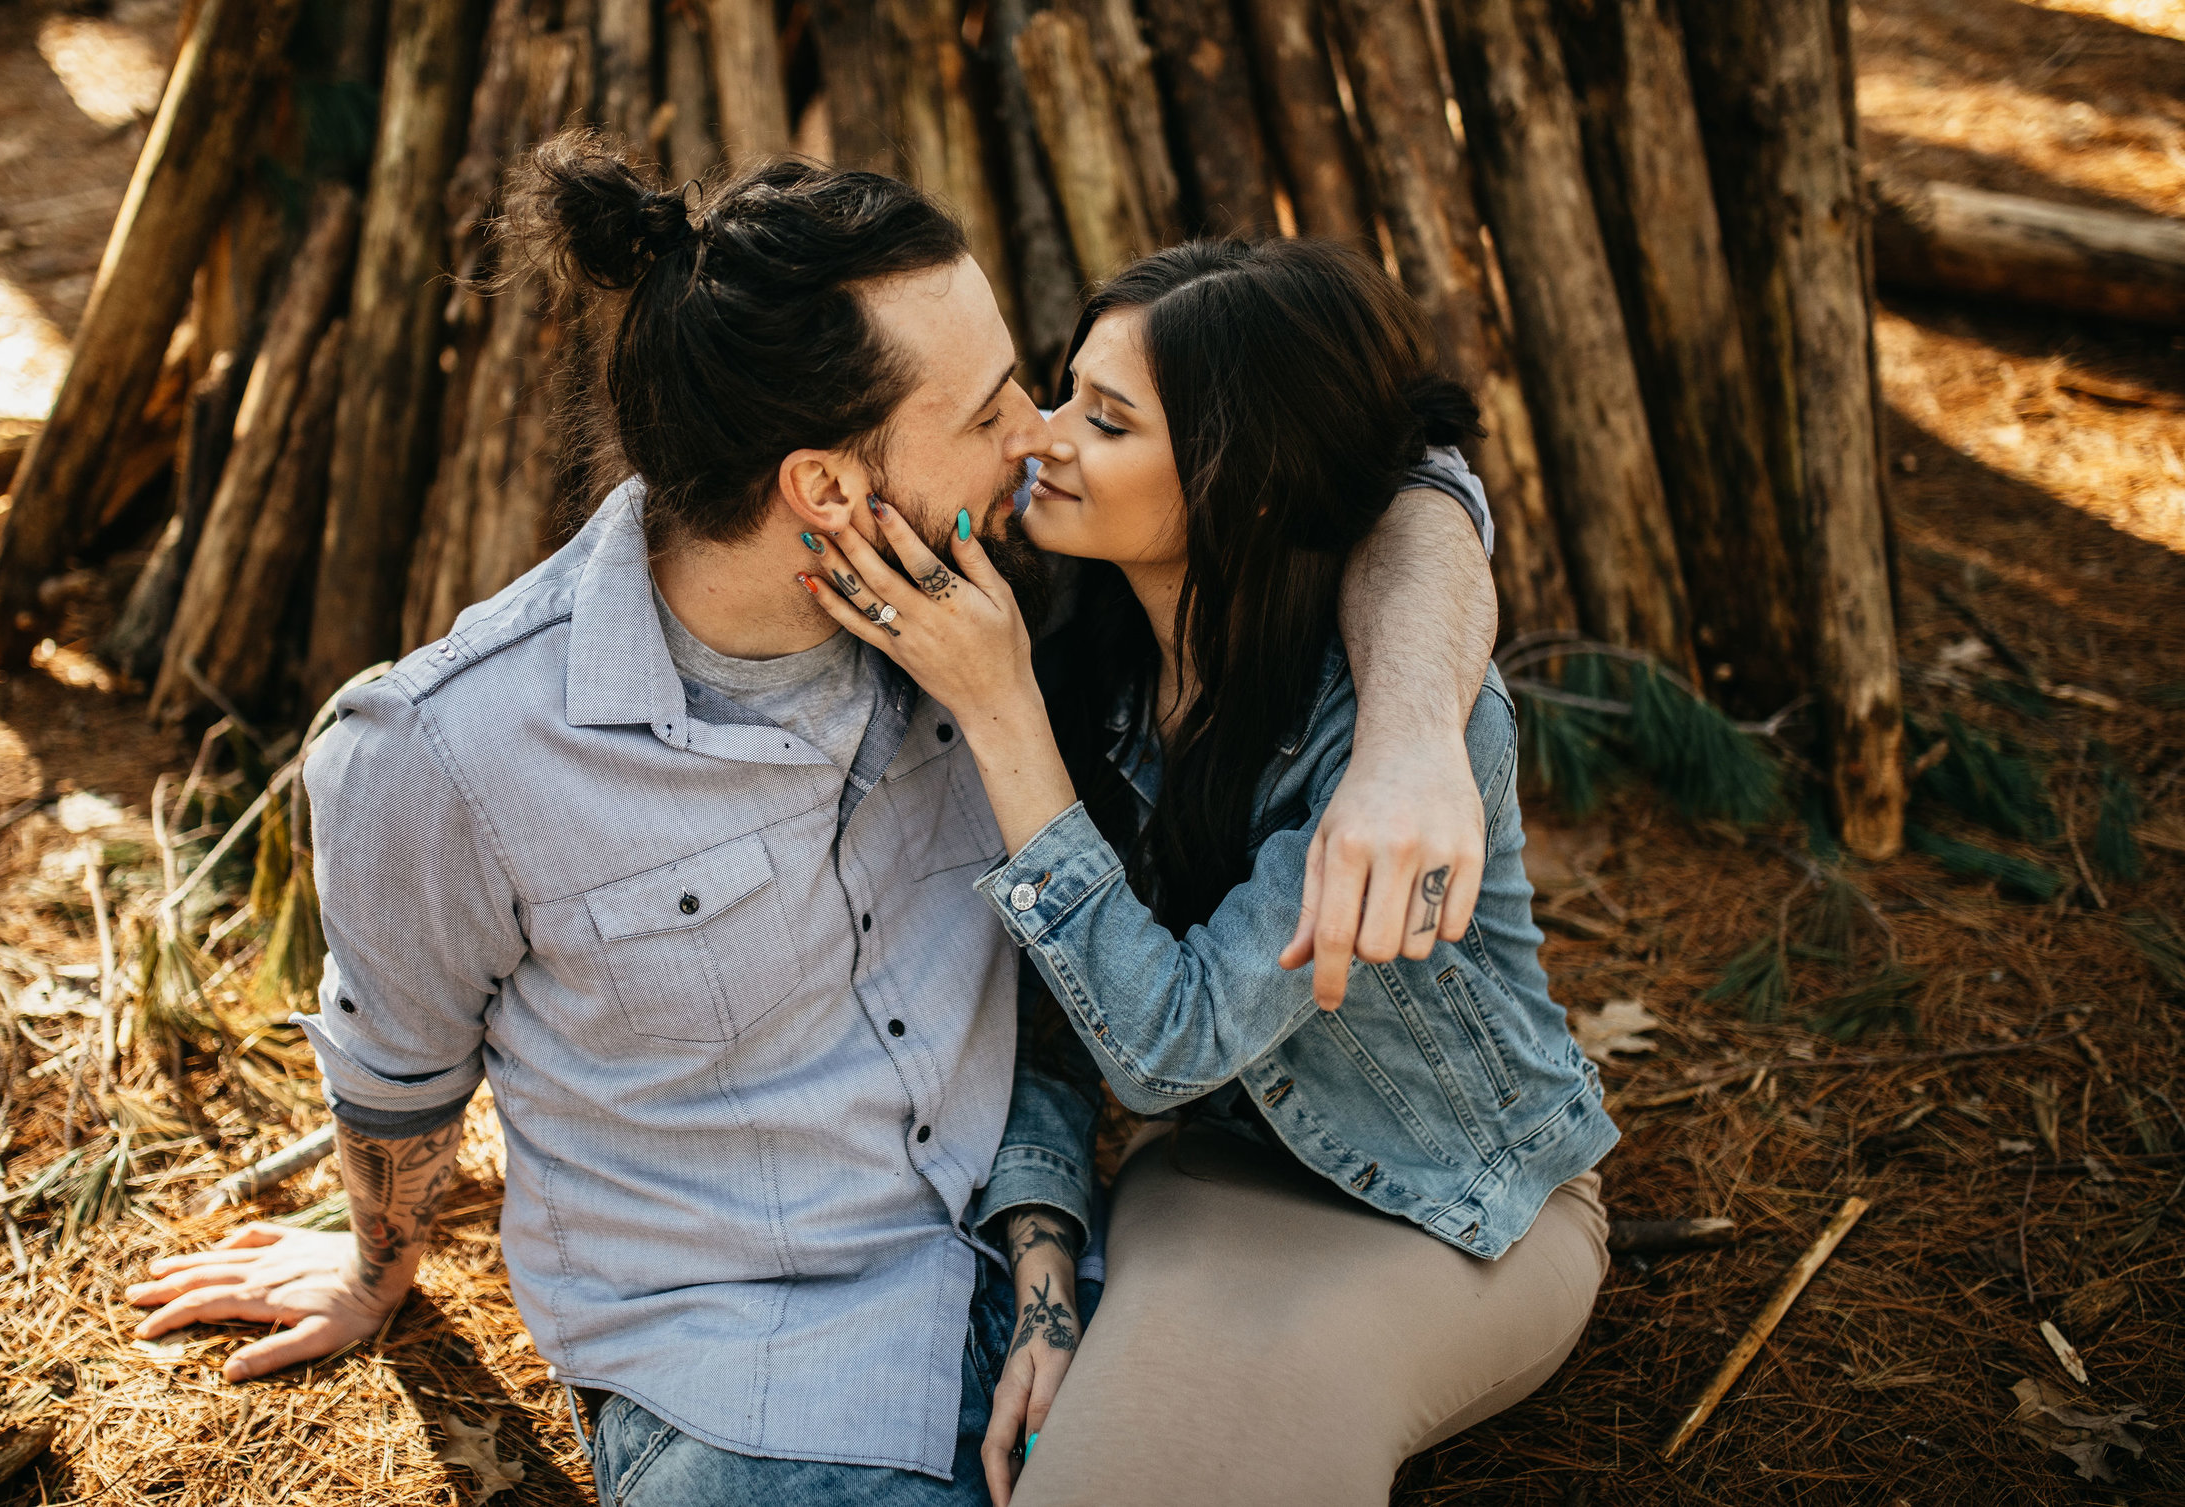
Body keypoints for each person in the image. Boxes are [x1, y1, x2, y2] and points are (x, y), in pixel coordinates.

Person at [123, 137, 1504, 1506]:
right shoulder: (448, 752)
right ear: (829, 491)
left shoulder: (1020, 610)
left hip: (1065, 1275)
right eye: (990, 409)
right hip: (760, 1389)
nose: (1037, 437)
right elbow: (398, 1069)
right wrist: (375, 1269)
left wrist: (1408, 732)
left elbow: (1397, 476)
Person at [796, 238, 1618, 1507]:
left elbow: (1164, 1045)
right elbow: (1059, 1030)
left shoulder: (1391, 732)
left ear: (1253, 484)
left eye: (1106, 420)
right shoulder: (1100, 668)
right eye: (1065, 393)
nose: (1046, 437)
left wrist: (999, 710)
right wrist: (1043, 1251)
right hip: (1211, 1183)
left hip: (1463, 1212)